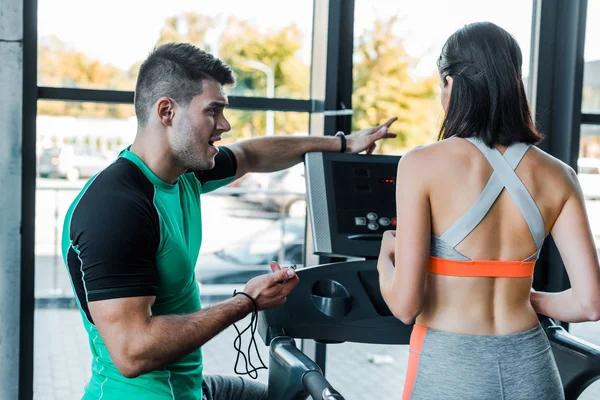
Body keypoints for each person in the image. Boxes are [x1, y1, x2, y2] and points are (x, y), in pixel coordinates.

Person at [61, 42, 396, 400]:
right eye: (213, 111)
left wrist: (343, 144)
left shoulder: (182, 174)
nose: (225, 124)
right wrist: (248, 301)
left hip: (186, 388)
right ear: (166, 111)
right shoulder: (116, 208)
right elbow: (132, 352)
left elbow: (251, 154)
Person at [377, 22, 600, 400]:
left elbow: (405, 306)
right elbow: (589, 304)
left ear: (451, 82)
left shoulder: (421, 164)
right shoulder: (559, 175)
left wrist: (386, 259)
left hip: (452, 369)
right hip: (533, 368)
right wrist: (523, 295)